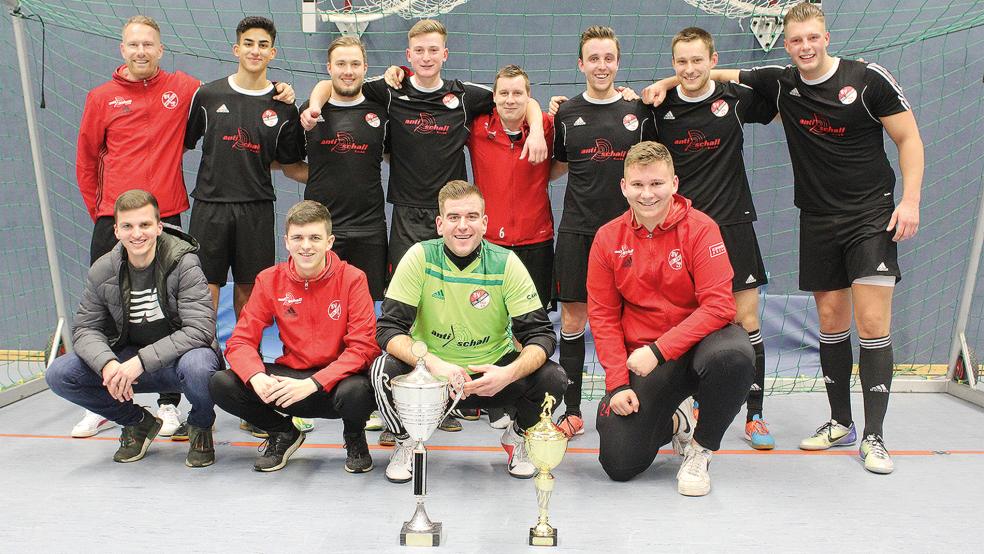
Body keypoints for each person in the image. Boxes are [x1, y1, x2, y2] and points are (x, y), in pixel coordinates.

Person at [646, 2, 924, 474]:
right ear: (787, 44)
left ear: (826, 37)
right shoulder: (782, 82)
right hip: (816, 217)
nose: (805, 47)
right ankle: (840, 422)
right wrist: (667, 82)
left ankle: (874, 436)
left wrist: (910, 200)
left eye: (812, 38)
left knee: (873, 323)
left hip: (870, 214)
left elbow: (909, 139)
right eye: (796, 41)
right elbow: (715, 72)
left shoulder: (867, 78)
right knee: (832, 321)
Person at [73, 14, 293, 438]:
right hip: (114, 218)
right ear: (122, 49)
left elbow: (248, 91)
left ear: (160, 49)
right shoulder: (101, 96)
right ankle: (104, 402)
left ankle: (171, 403)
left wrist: (284, 92)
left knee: (168, 311)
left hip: (169, 212)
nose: (141, 51)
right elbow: (86, 159)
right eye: (133, 44)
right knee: (109, 310)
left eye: (148, 44)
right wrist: (100, 212)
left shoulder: (189, 90)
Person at [300, 19, 547, 281]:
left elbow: (521, 97)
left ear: (445, 54)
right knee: (405, 294)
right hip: (407, 214)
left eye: (433, 50)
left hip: (452, 213)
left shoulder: (465, 96)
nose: (426, 57)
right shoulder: (391, 90)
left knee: (453, 289)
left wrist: (538, 132)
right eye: (419, 51)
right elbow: (337, 84)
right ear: (409, 54)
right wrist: (314, 105)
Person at [588, 142, 754, 496]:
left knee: (735, 355)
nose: (647, 194)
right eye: (637, 185)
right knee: (618, 463)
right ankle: (676, 421)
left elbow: (720, 307)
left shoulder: (701, 228)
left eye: (657, 184)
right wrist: (617, 383)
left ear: (674, 184)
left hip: (700, 347)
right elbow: (602, 316)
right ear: (623, 187)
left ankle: (701, 449)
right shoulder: (607, 238)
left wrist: (660, 349)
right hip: (650, 363)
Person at [371, 181, 565, 482]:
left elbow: (540, 335)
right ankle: (407, 444)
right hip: (435, 377)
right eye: (453, 217)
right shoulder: (419, 257)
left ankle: (518, 438)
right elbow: (388, 329)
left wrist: (508, 373)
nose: (463, 226)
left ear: (485, 223)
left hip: (492, 375)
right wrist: (433, 364)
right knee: (382, 370)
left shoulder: (506, 263)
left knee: (553, 378)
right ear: (439, 224)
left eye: (472, 217)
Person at [651, 27, 779, 449]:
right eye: (680, 63)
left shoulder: (736, 99)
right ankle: (695, 405)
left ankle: (755, 415)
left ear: (713, 59)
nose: (689, 69)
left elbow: (778, 86)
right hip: (681, 233)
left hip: (733, 226)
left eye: (697, 60)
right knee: (690, 318)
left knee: (746, 321)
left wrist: (718, 76)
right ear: (672, 64)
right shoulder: (658, 108)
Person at [45, 190, 221, 467]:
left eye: (145, 225)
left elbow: (200, 329)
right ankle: (137, 422)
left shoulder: (184, 262)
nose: (136, 234)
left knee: (201, 366)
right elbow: (85, 329)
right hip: (126, 362)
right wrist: (107, 364)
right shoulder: (103, 270)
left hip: (177, 363)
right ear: (116, 230)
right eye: (127, 226)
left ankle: (200, 426)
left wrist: (140, 362)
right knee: (60, 374)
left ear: (159, 227)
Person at [210, 201, 380, 473]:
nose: (306, 246)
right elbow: (240, 341)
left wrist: (315, 382)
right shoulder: (269, 280)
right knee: (222, 383)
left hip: (337, 384)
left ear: (329, 242)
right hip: (291, 381)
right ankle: (282, 433)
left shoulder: (353, 278)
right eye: (298, 238)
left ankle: (354, 436)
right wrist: (257, 376)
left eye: (315, 238)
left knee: (359, 391)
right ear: (286, 242)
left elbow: (363, 349)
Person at [550, 25, 656, 438]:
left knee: (633, 319)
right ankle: (572, 410)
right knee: (573, 318)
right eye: (593, 58)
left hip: (629, 235)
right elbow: (558, 166)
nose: (601, 65)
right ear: (581, 64)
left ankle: (637, 400)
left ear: (617, 62)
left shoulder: (638, 112)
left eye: (608, 58)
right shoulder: (565, 113)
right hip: (578, 231)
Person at [184, 16, 305, 319]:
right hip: (210, 206)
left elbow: (288, 164)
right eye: (249, 44)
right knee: (204, 288)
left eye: (263, 45)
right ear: (236, 49)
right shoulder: (208, 96)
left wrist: (339, 175)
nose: (255, 51)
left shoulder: (284, 105)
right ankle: (204, 360)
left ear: (272, 53)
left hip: (256, 209)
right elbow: (183, 145)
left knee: (250, 290)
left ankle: (244, 359)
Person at [285, 36, 390, 302]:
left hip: (370, 228)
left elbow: (389, 155)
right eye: (341, 64)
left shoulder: (381, 112)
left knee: (369, 303)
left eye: (355, 64)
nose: (348, 71)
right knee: (319, 303)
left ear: (366, 68)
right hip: (320, 229)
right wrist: (326, 173)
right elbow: (290, 167)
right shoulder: (308, 112)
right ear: (329, 67)